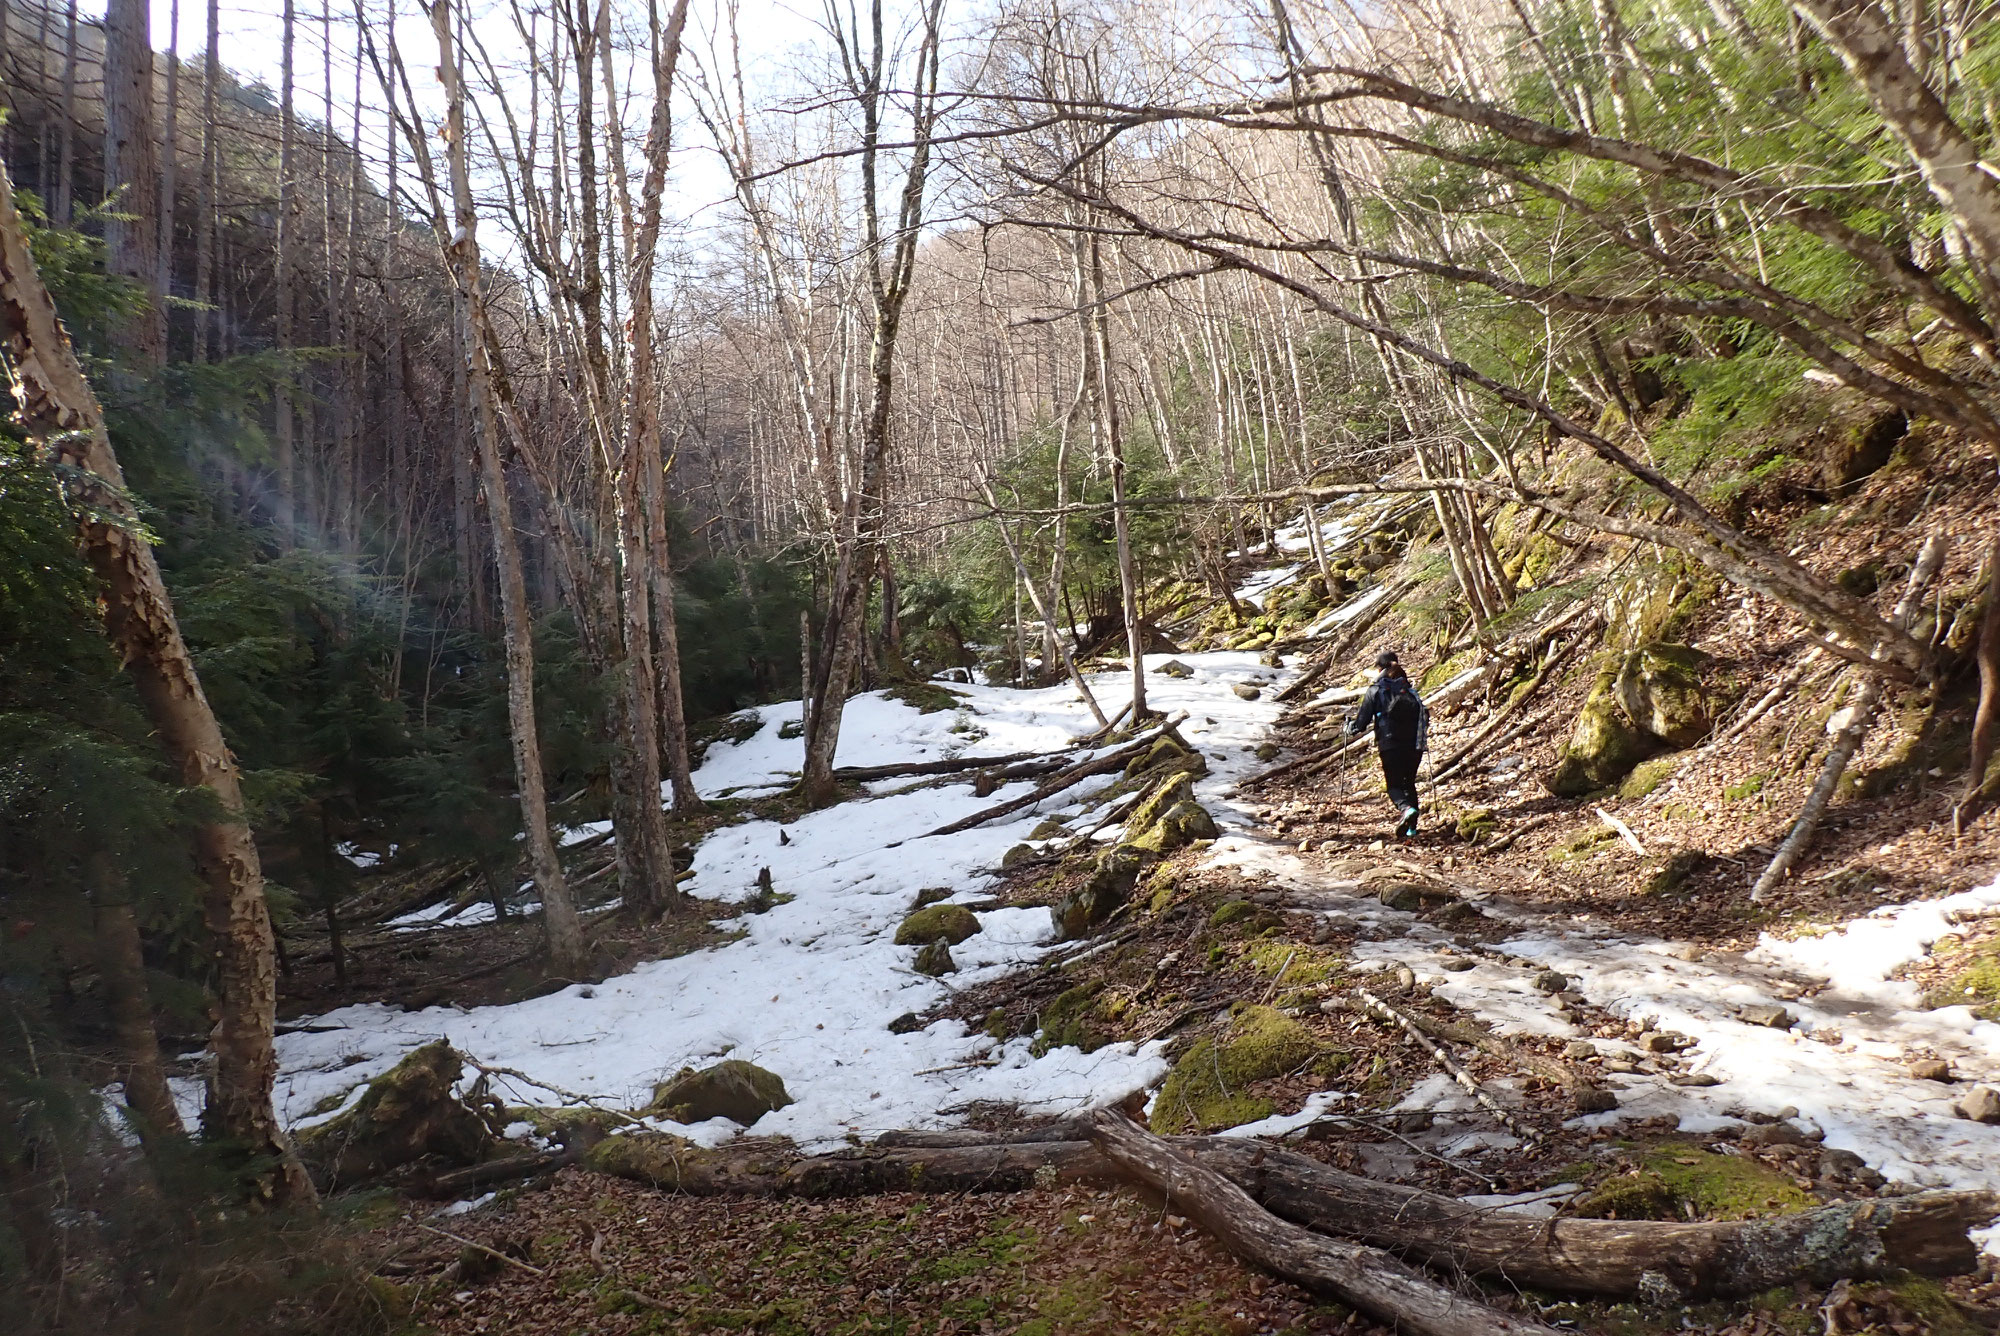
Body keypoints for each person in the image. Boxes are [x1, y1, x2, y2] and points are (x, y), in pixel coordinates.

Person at [1346, 650, 1430, 838]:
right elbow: (1424, 716)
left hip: (1390, 744)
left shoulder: (1375, 690)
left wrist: (1349, 728)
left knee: (1393, 785)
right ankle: (1411, 829)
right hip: (1414, 746)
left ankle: (1405, 809)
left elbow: (1361, 723)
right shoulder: (1410, 690)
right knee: (1409, 783)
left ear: (1379, 668)